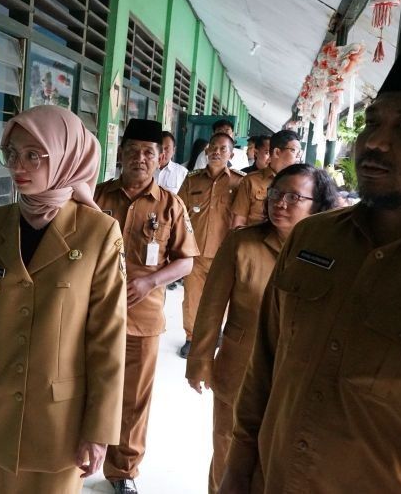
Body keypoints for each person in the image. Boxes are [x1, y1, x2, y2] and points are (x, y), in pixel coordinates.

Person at [220, 41, 401, 493]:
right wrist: (235, 477)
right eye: (373, 122)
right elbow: (263, 375)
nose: (374, 141)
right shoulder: (312, 237)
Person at [0, 105, 127, 493]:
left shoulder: (99, 234)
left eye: (33, 155)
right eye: (12, 153)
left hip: (59, 428)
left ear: (64, 156)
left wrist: (99, 429)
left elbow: (107, 340)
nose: (18, 166)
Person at [185, 164, 340, 493]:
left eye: (292, 197)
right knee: (228, 453)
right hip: (239, 368)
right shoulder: (242, 243)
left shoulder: (331, 255)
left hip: (300, 376)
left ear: (318, 204)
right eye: (274, 194)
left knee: (281, 460)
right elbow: (211, 307)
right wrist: (199, 361)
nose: (279, 202)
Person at [95, 118, 199, 494]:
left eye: (149, 153)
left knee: (134, 397)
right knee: (84, 383)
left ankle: (123, 470)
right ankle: (79, 454)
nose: (140, 158)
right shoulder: (98, 196)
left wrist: (151, 281)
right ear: (121, 154)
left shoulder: (171, 205)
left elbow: (186, 260)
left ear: (160, 159)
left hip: (142, 315)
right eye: (134, 150)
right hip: (93, 311)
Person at [176, 133, 245, 358]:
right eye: (213, 147)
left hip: (224, 253)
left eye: (222, 149)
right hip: (194, 252)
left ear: (231, 154)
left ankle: (215, 332)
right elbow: (179, 213)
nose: (216, 151)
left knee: (220, 298)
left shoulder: (240, 182)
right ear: (206, 151)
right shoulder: (192, 180)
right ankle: (191, 337)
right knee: (192, 298)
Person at [230, 130, 302, 228]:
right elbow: (238, 222)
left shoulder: (299, 184)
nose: (298, 156)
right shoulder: (251, 181)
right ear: (277, 152)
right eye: (294, 150)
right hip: (254, 241)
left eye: (299, 152)